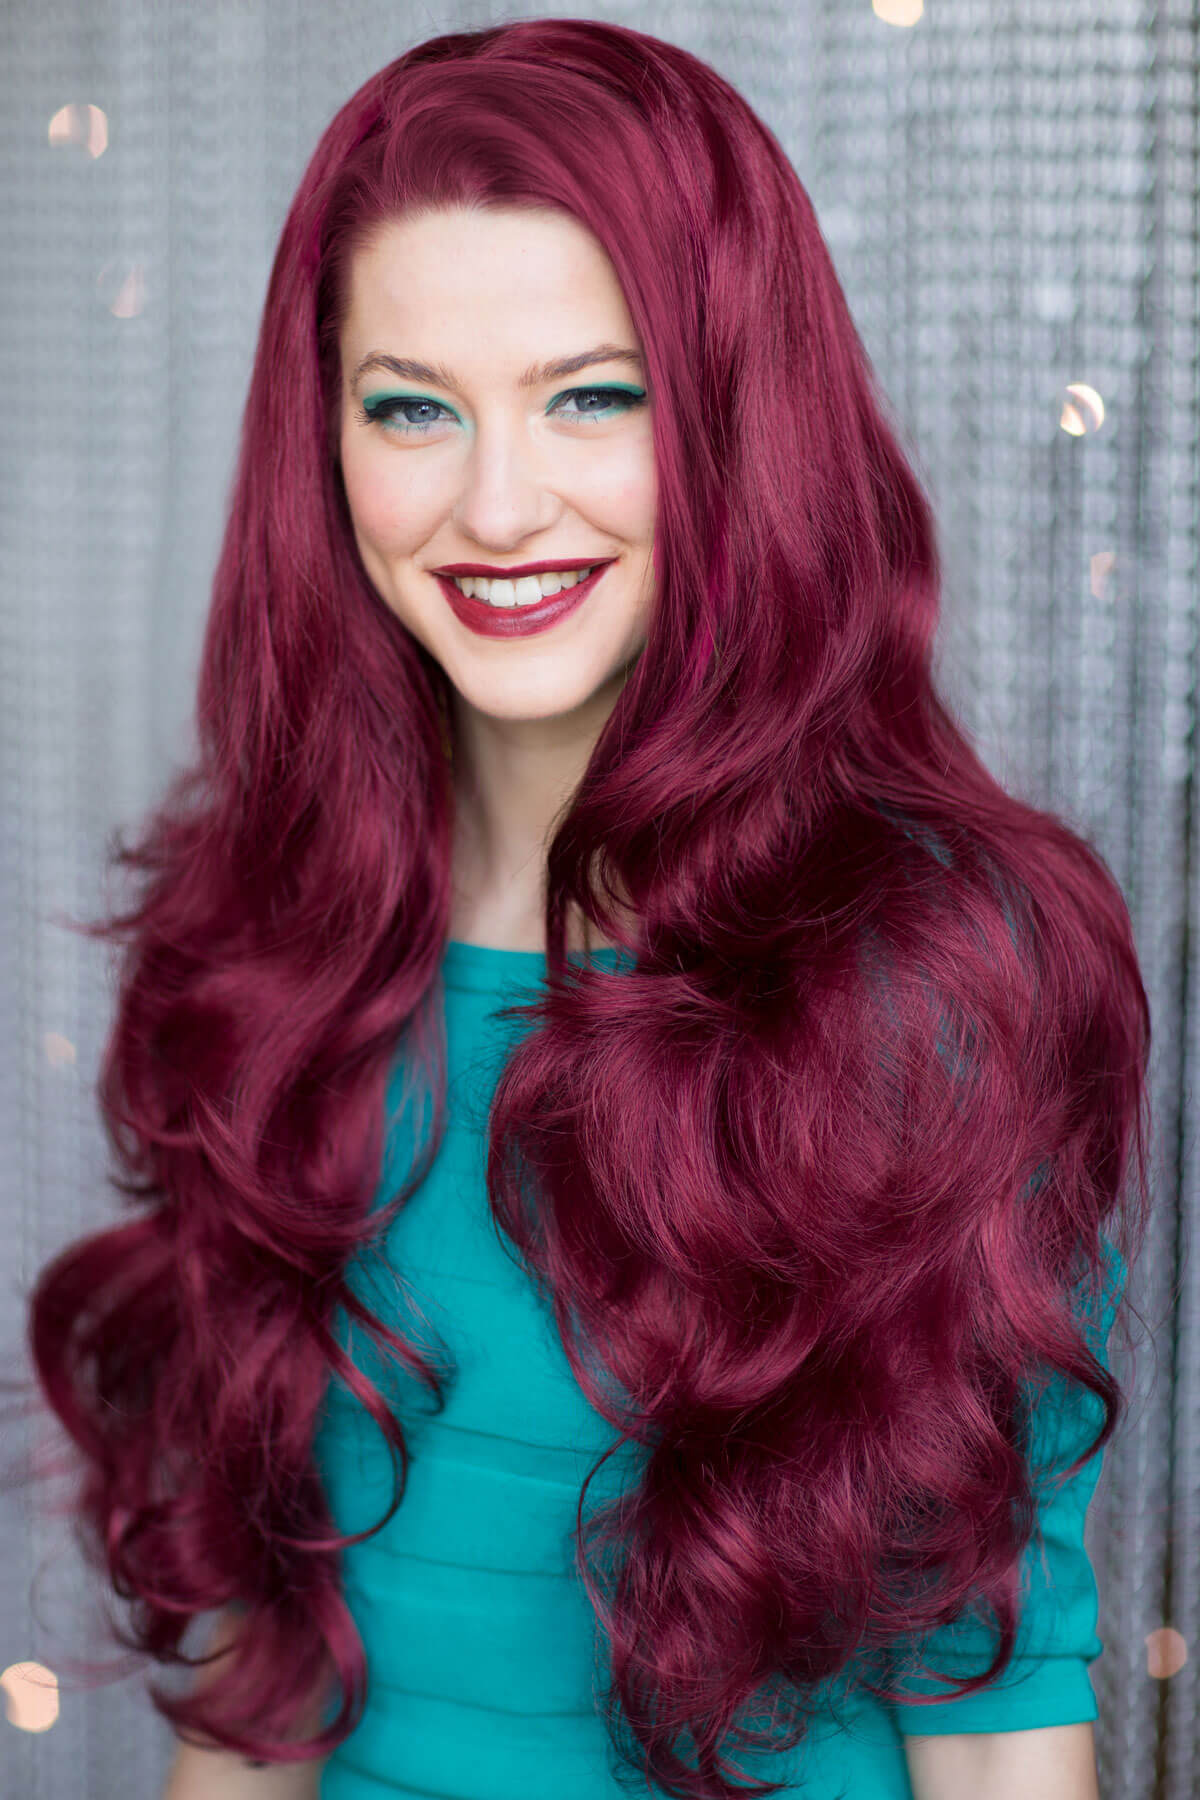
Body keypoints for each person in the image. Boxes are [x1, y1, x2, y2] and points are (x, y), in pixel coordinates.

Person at [26, 19, 1149, 1800]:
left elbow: (1000, 1710)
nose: (494, 501)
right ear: (325, 443)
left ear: (732, 420)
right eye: (412, 407)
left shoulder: (942, 978)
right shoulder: (262, 952)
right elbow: (252, 1699)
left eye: (590, 395)